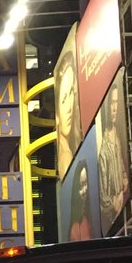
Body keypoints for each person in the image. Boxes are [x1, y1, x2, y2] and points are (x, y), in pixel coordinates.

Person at [98, 79, 129, 230]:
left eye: (117, 102)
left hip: (124, 205)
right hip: (113, 219)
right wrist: (114, 204)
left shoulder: (116, 134)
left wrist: (124, 176)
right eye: (112, 103)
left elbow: (122, 163)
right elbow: (103, 198)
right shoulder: (103, 150)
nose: (115, 108)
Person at [55, 47, 81, 181]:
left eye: (72, 92)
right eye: (64, 98)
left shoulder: (71, 150)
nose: (69, 107)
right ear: (57, 115)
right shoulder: (66, 163)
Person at [68, 160, 92, 242]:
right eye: (82, 185)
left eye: (86, 183)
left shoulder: (90, 218)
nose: (85, 189)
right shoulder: (76, 228)